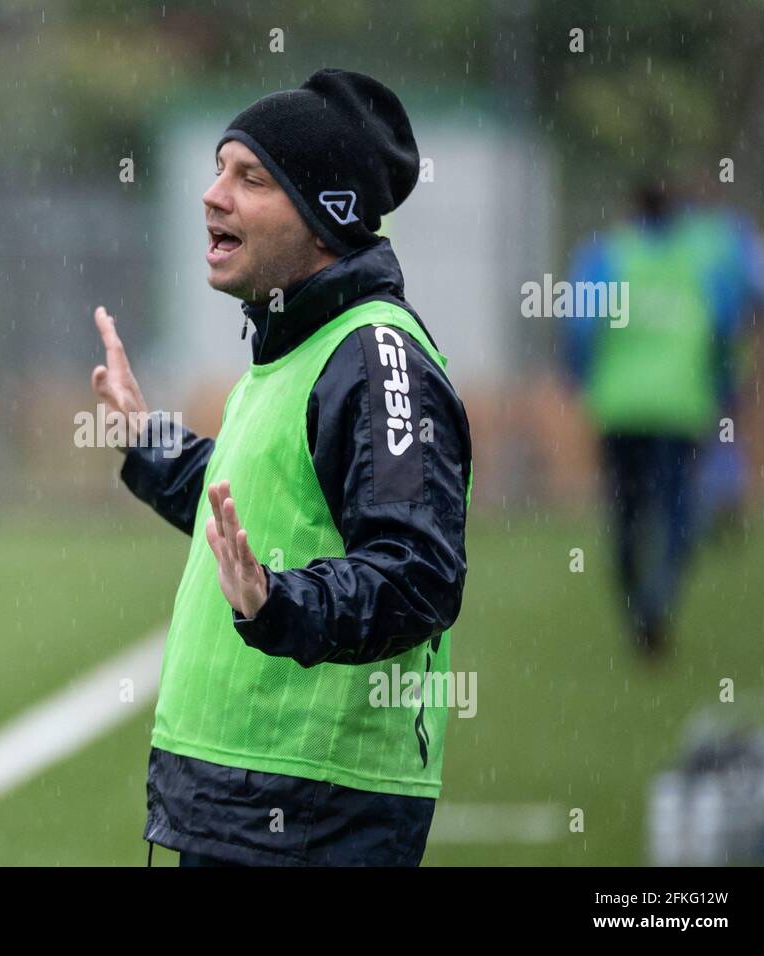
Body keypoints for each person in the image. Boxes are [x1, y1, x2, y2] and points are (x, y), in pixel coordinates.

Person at [92, 70, 472, 866]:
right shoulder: (289, 349)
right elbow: (247, 510)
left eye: (250, 178)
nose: (212, 195)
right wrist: (145, 441)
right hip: (242, 800)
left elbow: (417, 576)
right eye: (218, 168)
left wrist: (281, 603)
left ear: (326, 214)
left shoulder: (374, 355)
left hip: (313, 809)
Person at [564, 181, 764, 656]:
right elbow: (725, 329)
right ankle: (659, 600)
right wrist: (722, 386)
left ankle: (636, 600)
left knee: (626, 512)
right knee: (675, 511)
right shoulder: (700, 267)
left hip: (620, 407)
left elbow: (579, 325)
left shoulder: (608, 257)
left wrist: (581, 376)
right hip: (680, 408)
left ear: (632, 210)